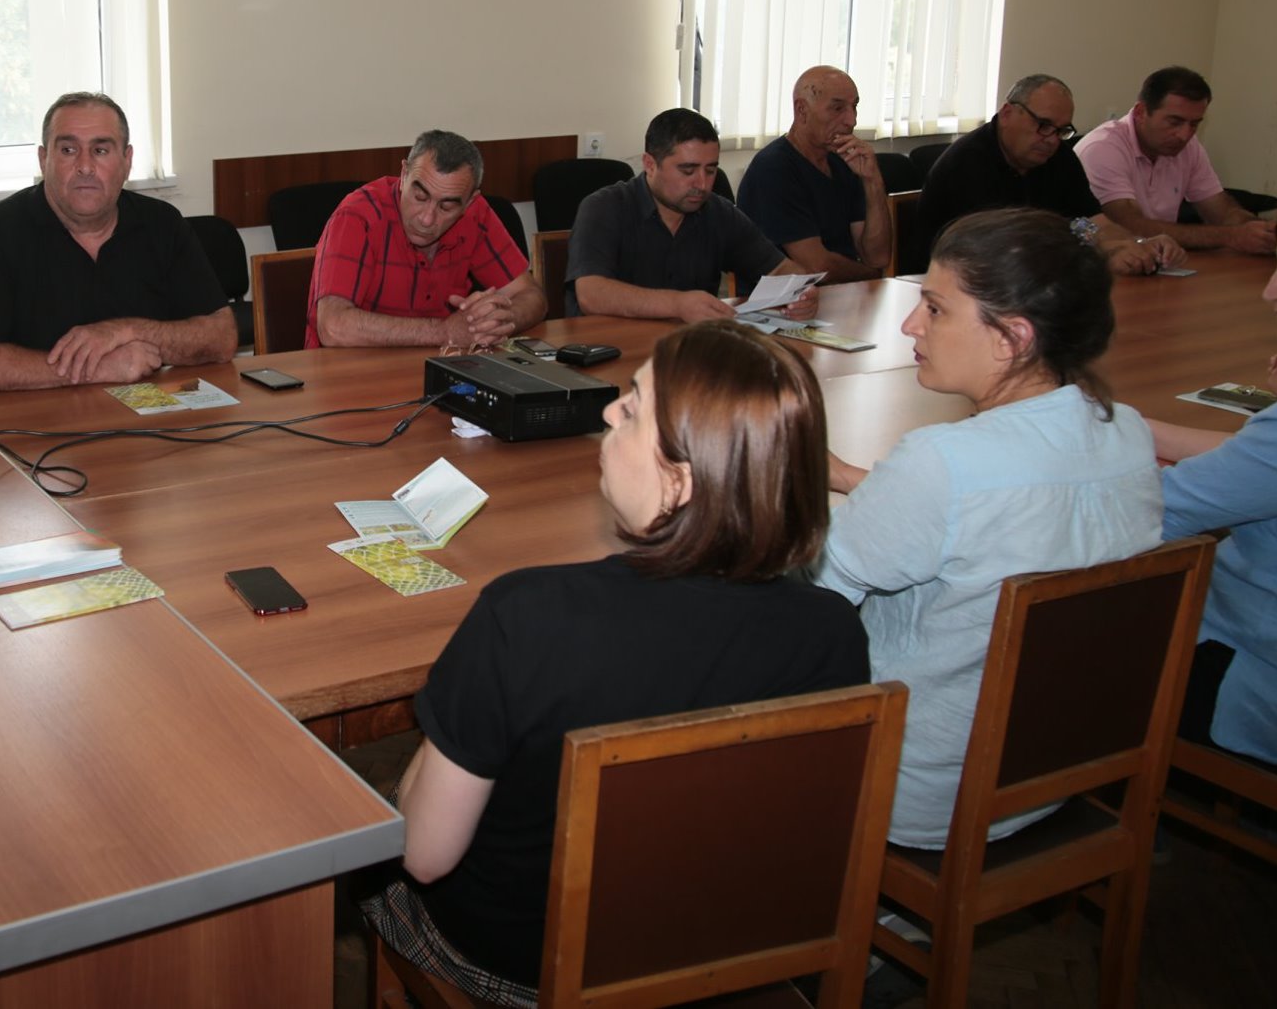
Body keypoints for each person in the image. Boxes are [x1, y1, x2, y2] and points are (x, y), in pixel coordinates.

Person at [361, 322, 869, 1003]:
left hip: (525, 964)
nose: (606, 413)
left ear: (681, 481)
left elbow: (425, 856)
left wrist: (434, 739)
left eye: (631, 409)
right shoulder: (834, 633)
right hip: (723, 956)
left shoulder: (529, 616)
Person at [817, 208, 1162, 848]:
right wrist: (855, 481)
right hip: (1054, 770)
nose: (910, 324)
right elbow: (987, 518)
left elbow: (811, 603)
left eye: (935, 309)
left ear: (1011, 338)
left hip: (917, 790)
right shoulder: (1128, 433)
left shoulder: (943, 463)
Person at [1148, 181, 1277, 770]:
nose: (1271, 290)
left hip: (1272, 698)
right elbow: (1273, 466)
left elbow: (1150, 514)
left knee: (1051, 640)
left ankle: (1107, 809)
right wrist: (1137, 428)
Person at [0, 92, 236, 390]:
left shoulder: (162, 223)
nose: (85, 166)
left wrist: (127, 330)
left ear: (127, 161)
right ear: (44, 160)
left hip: (147, 410)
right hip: (40, 414)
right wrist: (99, 369)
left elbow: (222, 338)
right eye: (68, 150)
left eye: (100, 150)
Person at [916, 74, 1187, 276]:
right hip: (956, 282)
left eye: (1061, 130)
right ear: (1008, 113)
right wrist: (1103, 251)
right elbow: (1007, 251)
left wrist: (1136, 245)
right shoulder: (967, 163)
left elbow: (1089, 220)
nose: (1051, 139)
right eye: (1043, 125)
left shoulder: (1057, 156)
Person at [566, 108, 819, 321]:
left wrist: (801, 292)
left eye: (710, 170)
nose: (702, 184)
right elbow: (591, 294)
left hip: (689, 349)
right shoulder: (604, 207)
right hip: (611, 347)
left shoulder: (717, 212)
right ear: (650, 165)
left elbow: (780, 268)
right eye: (688, 170)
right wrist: (678, 304)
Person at [306, 130, 546, 349]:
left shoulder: (476, 214)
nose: (427, 219)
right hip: (350, 371)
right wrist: (445, 332)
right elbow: (333, 327)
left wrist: (498, 321)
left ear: (469, 201)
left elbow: (532, 295)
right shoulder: (358, 216)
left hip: (433, 363)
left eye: (446, 207)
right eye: (420, 197)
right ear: (404, 175)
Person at [1073, 66, 1276, 255]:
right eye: (1174, 122)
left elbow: (1221, 210)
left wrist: (1261, 230)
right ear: (1141, 113)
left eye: (1194, 124)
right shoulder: (1102, 147)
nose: (1184, 135)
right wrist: (1231, 236)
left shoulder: (1189, 147)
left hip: (1160, 261)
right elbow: (1128, 226)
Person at [734, 65, 893, 286]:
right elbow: (817, 267)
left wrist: (872, 180)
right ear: (802, 110)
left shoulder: (845, 161)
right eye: (837, 108)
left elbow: (878, 257)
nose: (851, 120)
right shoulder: (774, 169)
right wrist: (872, 276)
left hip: (842, 293)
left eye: (854, 107)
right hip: (786, 301)